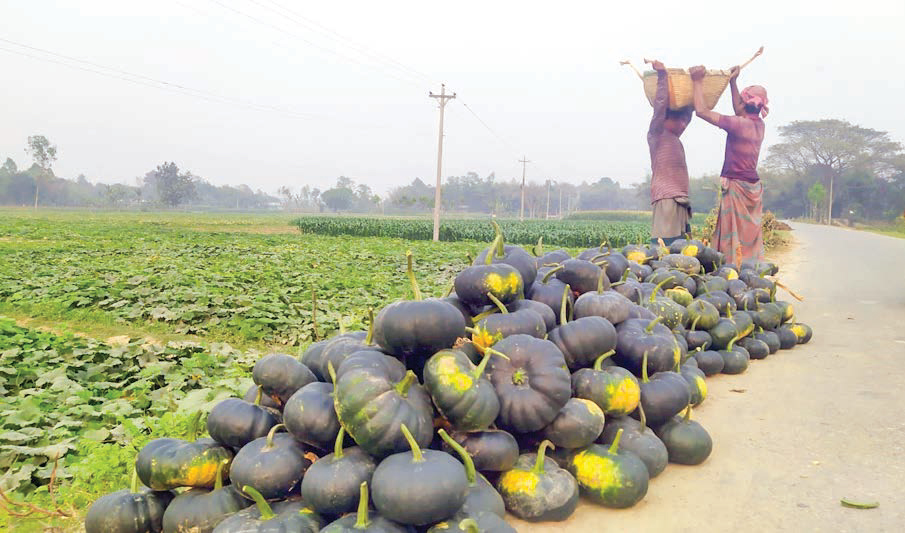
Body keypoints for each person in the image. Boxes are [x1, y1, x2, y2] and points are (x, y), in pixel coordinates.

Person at [689, 64, 768, 266]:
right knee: (746, 235)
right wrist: (733, 82)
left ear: (744, 102)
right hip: (752, 187)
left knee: (733, 234)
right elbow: (739, 110)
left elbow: (701, 111)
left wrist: (697, 81)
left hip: (737, 188)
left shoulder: (737, 124)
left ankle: (732, 268)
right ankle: (750, 266)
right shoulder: (759, 125)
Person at [647, 60, 694, 246]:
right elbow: (659, 107)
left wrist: (695, 86)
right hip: (666, 197)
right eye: (679, 121)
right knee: (664, 245)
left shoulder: (676, 139)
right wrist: (662, 77)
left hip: (681, 199)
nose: (683, 124)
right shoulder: (657, 133)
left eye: (684, 122)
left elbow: (690, 114)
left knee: (682, 248)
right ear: (666, 120)